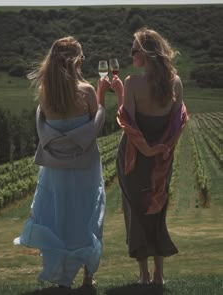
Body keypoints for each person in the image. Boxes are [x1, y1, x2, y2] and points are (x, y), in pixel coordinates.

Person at [14, 36, 110, 289]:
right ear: (77, 60)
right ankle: (88, 276)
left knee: (58, 218)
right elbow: (95, 125)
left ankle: (61, 279)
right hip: (85, 170)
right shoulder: (86, 91)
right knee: (88, 215)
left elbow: (46, 127)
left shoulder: (45, 94)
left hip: (55, 172)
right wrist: (102, 101)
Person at [109, 27, 188, 285]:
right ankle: (158, 275)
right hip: (161, 159)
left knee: (136, 210)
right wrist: (161, 150)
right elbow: (177, 124)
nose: (131, 54)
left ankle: (143, 276)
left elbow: (129, 124)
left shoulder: (132, 83)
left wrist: (147, 149)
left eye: (134, 50)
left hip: (133, 157)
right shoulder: (175, 83)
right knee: (157, 208)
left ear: (146, 54)